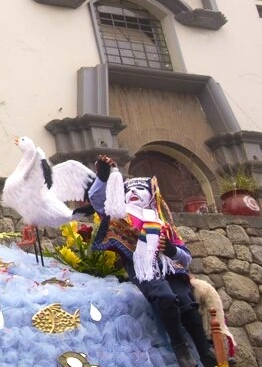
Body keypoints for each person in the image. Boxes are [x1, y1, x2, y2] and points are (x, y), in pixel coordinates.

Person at [88, 156, 217, 367]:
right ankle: (180, 348)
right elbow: (97, 200)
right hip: (143, 269)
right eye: (128, 190)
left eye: (139, 189)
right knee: (165, 297)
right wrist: (103, 178)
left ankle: (205, 351)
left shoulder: (163, 224)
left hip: (171, 269)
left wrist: (171, 249)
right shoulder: (121, 217)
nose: (133, 193)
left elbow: (185, 258)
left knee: (187, 302)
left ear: (152, 195)